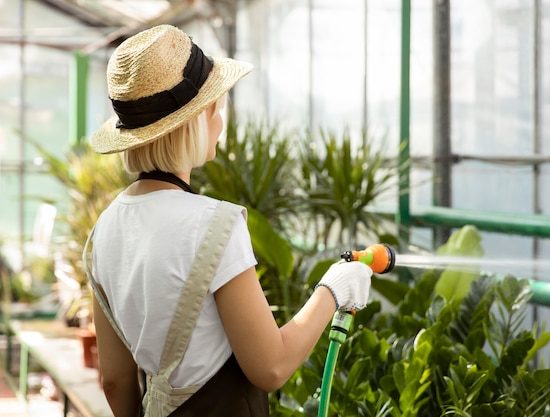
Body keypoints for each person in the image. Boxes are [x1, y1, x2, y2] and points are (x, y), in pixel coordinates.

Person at [83, 24, 372, 417]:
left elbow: (115, 382)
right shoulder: (214, 224)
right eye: (217, 105)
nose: (221, 119)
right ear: (198, 119)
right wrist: (333, 289)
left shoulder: (105, 230)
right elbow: (270, 367)